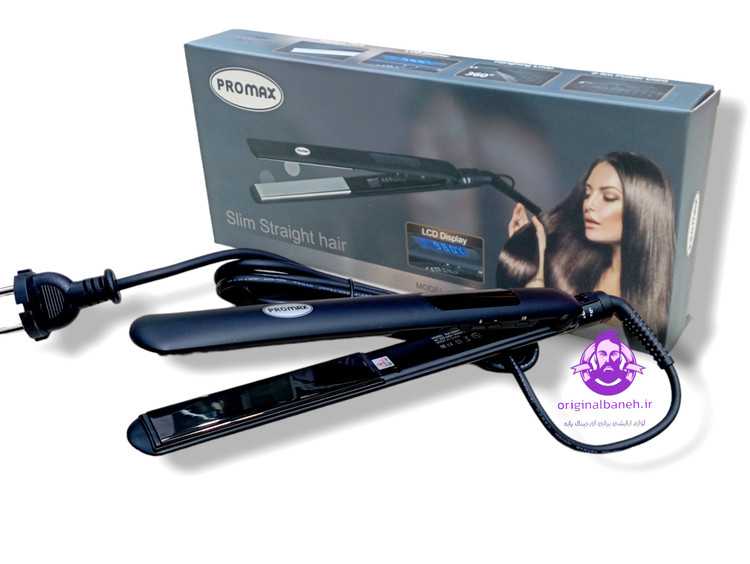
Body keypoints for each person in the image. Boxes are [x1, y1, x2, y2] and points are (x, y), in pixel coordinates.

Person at [497, 152, 675, 342]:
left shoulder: (665, 302)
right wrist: (530, 257)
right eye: (587, 194)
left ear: (643, 210)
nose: (589, 204)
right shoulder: (572, 272)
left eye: (608, 197)